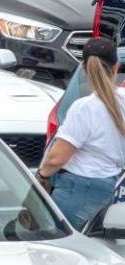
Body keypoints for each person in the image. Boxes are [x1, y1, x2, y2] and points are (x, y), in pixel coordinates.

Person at [37, 37, 125, 230]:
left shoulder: (84, 107)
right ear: (116, 67)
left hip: (77, 188)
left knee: (56, 245)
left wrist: (42, 175)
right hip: (108, 183)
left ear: (84, 68)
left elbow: (58, 157)